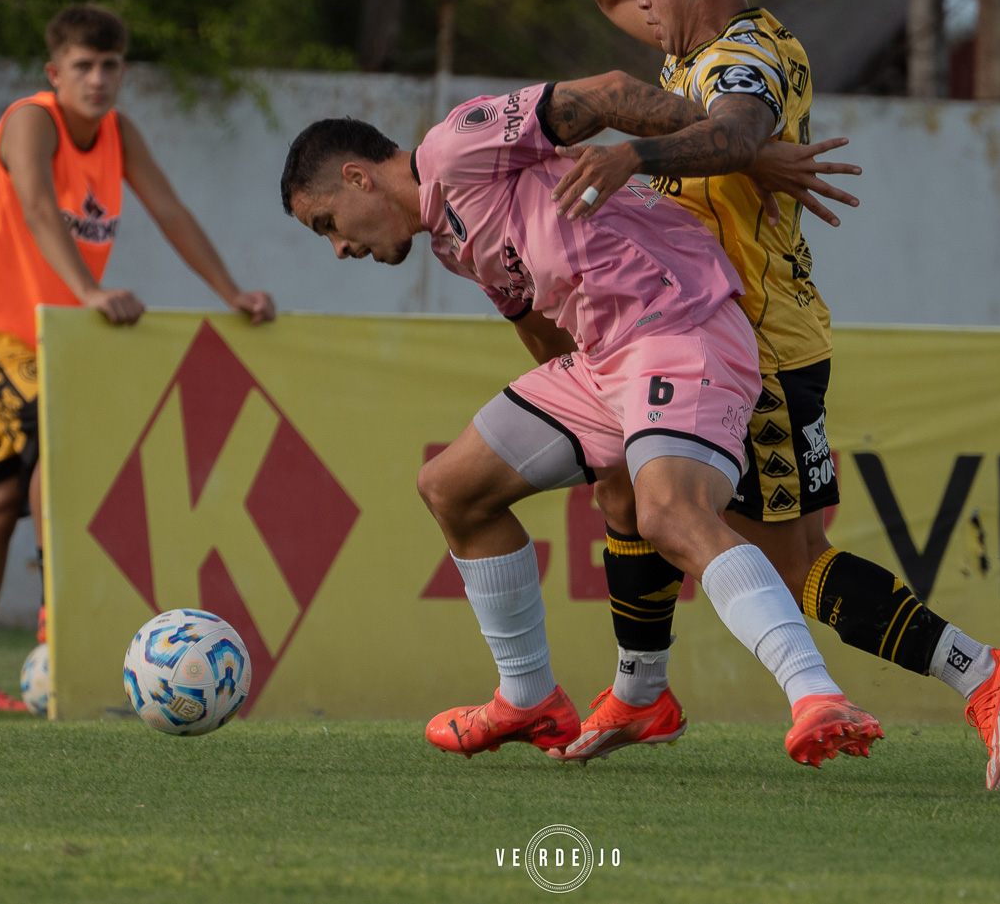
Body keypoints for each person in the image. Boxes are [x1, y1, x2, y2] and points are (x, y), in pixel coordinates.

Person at [542, 0, 1000, 788]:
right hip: (685, 335)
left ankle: (982, 670)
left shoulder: (751, 59)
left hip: (756, 346)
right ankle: (640, 689)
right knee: (621, 489)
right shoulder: (690, 41)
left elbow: (735, 131)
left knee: (792, 563)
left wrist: (632, 153)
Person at [281, 78, 885, 767]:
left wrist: (746, 151)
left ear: (357, 176)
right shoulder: (451, 239)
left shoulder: (458, 146)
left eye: (325, 223)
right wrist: (602, 433)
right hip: (606, 362)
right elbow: (542, 332)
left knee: (671, 514)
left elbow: (606, 93)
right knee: (452, 487)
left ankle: (815, 693)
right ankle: (530, 697)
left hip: (677, 325)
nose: (338, 247)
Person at [0, 4, 275, 710]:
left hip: (40, 340)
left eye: (110, 65)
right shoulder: (32, 120)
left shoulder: (120, 133)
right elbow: (33, 203)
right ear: (54, 72)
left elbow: (171, 211)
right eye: (82, 66)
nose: (98, 78)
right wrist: (88, 289)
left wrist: (231, 289)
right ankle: (60, 615)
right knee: (55, 434)